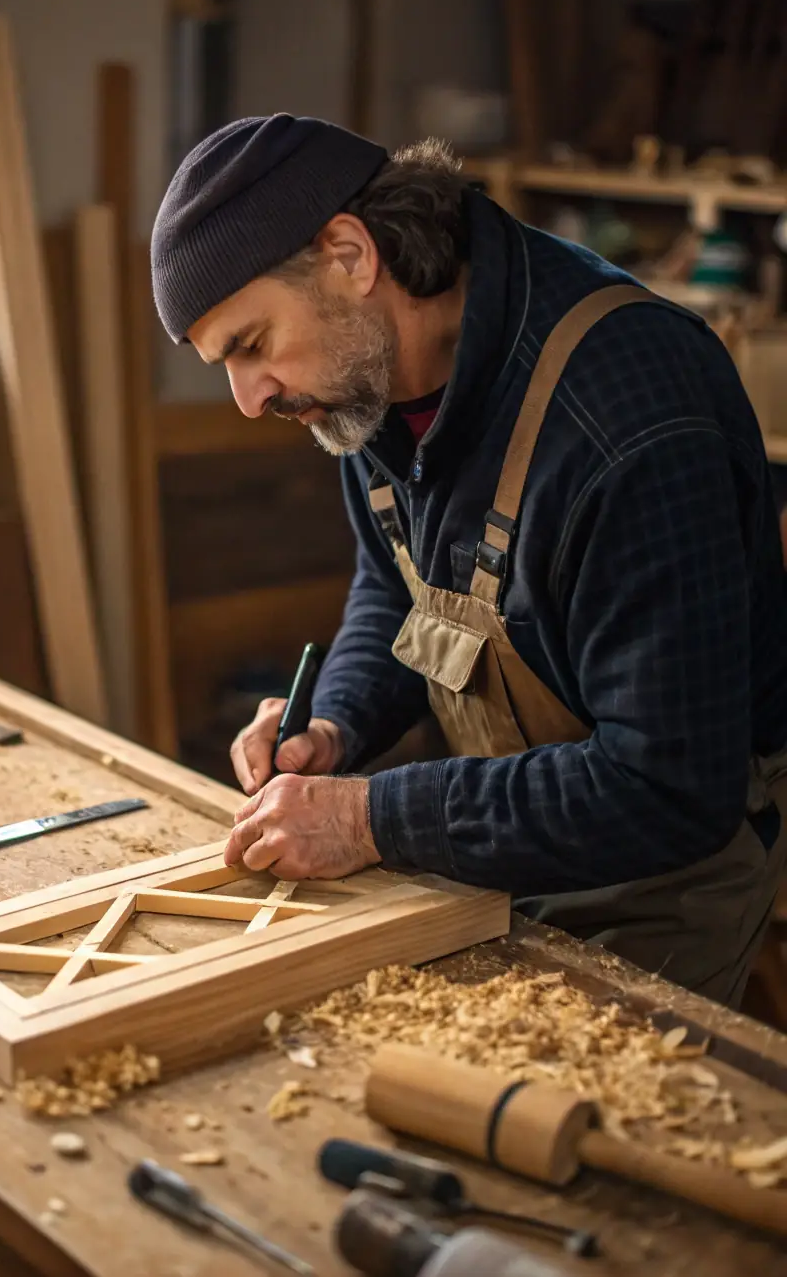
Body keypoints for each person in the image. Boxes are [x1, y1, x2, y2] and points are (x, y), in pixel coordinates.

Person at [150, 113, 787, 1004]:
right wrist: (334, 728)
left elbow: (668, 786)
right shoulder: (363, 380)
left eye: (251, 345)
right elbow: (398, 583)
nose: (250, 400)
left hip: (663, 871)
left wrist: (372, 816)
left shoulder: (631, 420)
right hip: (495, 848)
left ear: (348, 255)